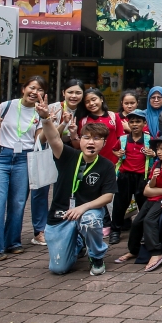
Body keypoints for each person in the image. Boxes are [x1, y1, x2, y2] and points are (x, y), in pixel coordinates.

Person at [34, 96, 117, 276]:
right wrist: (45, 118)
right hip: (61, 214)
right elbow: (54, 139)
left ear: (104, 143)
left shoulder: (107, 166)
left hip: (87, 213)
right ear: (80, 140)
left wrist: (83, 207)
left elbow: (108, 196)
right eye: (87, 138)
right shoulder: (68, 156)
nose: (91, 142)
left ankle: (96, 256)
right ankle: (78, 243)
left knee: (90, 220)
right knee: (58, 269)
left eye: (97, 139)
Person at [0, 75, 47, 262]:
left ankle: (12, 242)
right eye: (32, 87)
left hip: (24, 158)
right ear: (24, 89)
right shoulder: (7, 105)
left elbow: (39, 141)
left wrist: (46, 119)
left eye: (40, 89)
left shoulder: (40, 112)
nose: (35, 92)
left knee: (18, 203)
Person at [114, 134, 162, 272]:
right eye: (157, 149)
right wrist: (154, 178)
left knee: (150, 220)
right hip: (152, 198)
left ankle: (156, 252)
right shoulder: (157, 163)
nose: (158, 152)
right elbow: (151, 185)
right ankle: (134, 250)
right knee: (137, 222)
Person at [31, 78, 86, 247]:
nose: (74, 96)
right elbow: (43, 138)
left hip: (73, 152)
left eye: (78, 92)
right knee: (41, 189)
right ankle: (40, 230)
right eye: (70, 92)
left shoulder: (85, 111)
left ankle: (68, 224)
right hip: (50, 151)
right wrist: (62, 123)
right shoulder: (52, 108)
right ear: (63, 93)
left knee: (67, 190)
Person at [109, 109, 152, 244]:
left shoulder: (149, 139)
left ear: (144, 123)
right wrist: (118, 154)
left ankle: (145, 231)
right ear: (128, 123)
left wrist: (152, 154)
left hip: (142, 176)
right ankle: (115, 231)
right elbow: (114, 149)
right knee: (120, 204)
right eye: (132, 122)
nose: (134, 124)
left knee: (144, 205)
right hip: (125, 176)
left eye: (138, 121)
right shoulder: (123, 139)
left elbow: (157, 153)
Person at [78, 88, 122, 166]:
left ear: (101, 99)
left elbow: (121, 138)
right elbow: (81, 143)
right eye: (87, 102)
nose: (91, 103)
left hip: (113, 160)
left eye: (94, 99)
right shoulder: (83, 121)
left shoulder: (114, 116)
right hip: (92, 161)